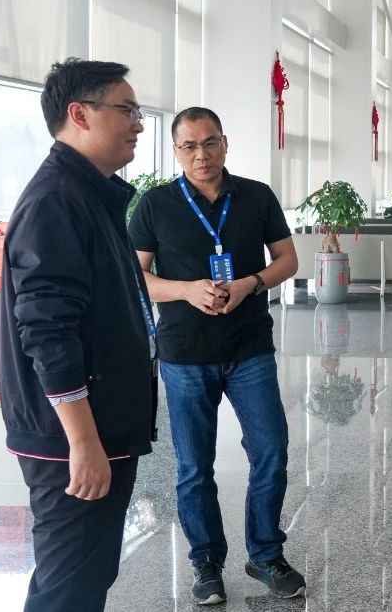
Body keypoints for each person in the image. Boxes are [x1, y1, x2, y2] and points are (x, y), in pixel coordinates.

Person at [0, 58, 157, 612]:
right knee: (68, 589)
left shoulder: (90, 193)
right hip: (72, 437)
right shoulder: (57, 200)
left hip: (98, 425)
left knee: (84, 578)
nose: (139, 124)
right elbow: (48, 331)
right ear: (79, 114)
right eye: (126, 110)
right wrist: (84, 443)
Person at [128, 107, 303, 603]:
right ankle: (206, 562)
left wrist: (251, 283)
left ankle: (265, 554)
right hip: (185, 354)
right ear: (176, 150)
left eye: (209, 143)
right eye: (189, 146)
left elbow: (288, 259)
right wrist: (186, 290)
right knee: (193, 465)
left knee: (270, 450)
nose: (201, 154)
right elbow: (136, 277)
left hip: (249, 347)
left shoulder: (256, 196)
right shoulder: (155, 204)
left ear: (225, 143)